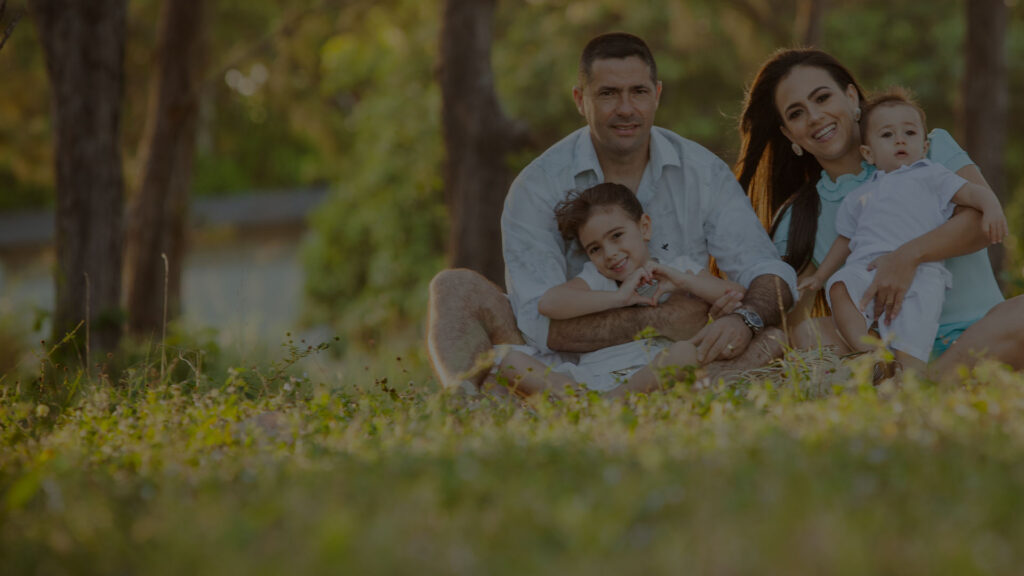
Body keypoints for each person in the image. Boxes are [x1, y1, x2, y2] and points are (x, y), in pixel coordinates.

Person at [428, 32, 798, 394]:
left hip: (666, 359)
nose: (625, 109)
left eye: (638, 92)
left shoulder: (701, 171)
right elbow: (537, 323)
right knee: (454, 287)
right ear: (580, 99)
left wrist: (742, 319)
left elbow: (764, 271)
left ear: (657, 95)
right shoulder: (538, 185)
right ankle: (464, 404)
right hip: (561, 365)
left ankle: (623, 402)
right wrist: (662, 320)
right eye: (608, 94)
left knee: (770, 339)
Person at [735, 48, 1024, 376]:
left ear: (851, 97)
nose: (815, 116)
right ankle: (926, 383)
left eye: (822, 98)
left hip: (981, 335)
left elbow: (981, 225)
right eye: (797, 113)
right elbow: (790, 318)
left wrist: (908, 257)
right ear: (789, 134)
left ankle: (926, 385)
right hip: (893, 350)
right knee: (809, 334)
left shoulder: (927, 150)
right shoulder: (800, 217)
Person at [796, 89, 1007, 375]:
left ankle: (908, 379)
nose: (899, 140)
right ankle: (871, 355)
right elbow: (845, 239)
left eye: (909, 133)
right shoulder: (860, 195)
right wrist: (821, 276)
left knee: (913, 328)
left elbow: (973, 194)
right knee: (840, 287)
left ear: (923, 145)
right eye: (887, 135)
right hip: (867, 269)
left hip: (920, 273)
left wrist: (992, 206)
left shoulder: (932, 175)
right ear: (868, 153)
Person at [490, 182, 746, 397]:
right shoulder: (596, 278)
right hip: (593, 376)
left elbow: (735, 293)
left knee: (684, 354)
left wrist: (683, 281)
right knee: (510, 361)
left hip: (651, 371)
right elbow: (549, 304)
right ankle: (587, 401)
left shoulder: (677, 268)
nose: (610, 254)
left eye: (616, 236)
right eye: (595, 249)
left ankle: (610, 403)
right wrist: (618, 297)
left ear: (644, 227)